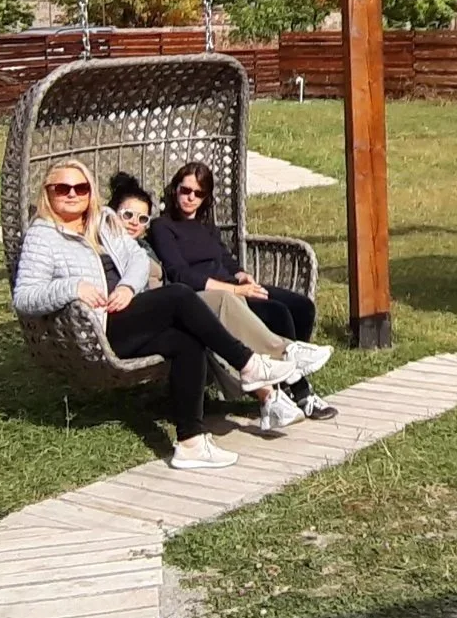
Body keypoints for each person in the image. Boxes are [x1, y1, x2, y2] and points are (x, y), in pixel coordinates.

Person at [13, 157, 299, 470]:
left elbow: (136, 259)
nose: (71, 194)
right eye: (62, 188)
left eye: (80, 188)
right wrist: (72, 287)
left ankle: (190, 441)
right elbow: (25, 298)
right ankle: (247, 363)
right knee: (179, 295)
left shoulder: (103, 223)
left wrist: (126, 287)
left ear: (90, 192)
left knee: (185, 340)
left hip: (124, 309)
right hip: (95, 329)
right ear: (48, 193)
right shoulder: (42, 236)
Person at [138, 164, 338, 424]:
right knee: (277, 313)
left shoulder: (206, 225)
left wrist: (242, 274)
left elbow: (224, 258)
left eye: (198, 193)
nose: (189, 197)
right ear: (175, 189)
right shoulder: (163, 227)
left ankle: (286, 380)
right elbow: (180, 274)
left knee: (300, 306)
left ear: (206, 197)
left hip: (234, 285)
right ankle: (301, 391)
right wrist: (235, 288)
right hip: (209, 294)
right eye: (185, 190)